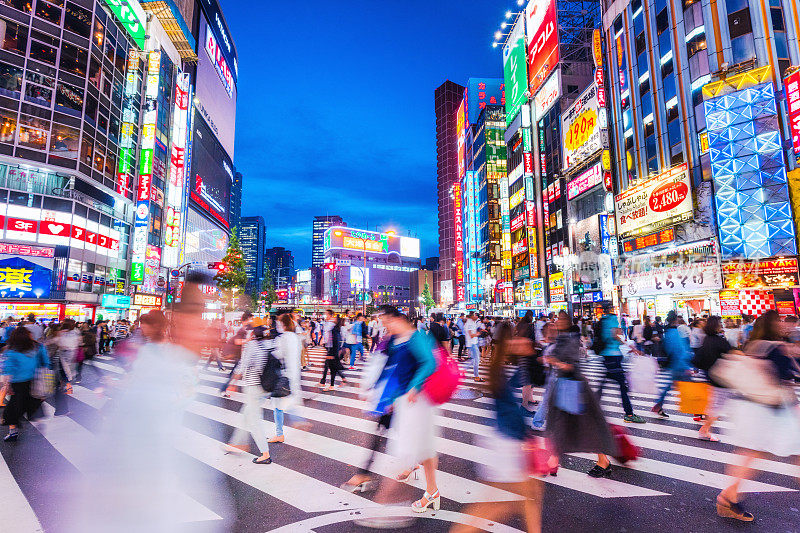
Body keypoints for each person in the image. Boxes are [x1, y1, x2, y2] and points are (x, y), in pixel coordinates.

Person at [452, 321, 543, 533]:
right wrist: (526, 438)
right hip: (506, 442)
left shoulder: (497, 366)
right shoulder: (499, 369)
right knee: (499, 505)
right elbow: (510, 410)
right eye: (514, 336)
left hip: (500, 439)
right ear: (508, 340)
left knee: (526, 497)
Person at [717, 310, 800, 522]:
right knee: (766, 453)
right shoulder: (777, 349)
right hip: (771, 410)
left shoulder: (751, 345)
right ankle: (728, 497)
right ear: (773, 325)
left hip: (749, 408)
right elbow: (786, 380)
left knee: (751, 453)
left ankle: (729, 497)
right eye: (779, 321)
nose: (783, 324)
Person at [378, 305, 439, 513]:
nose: (385, 327)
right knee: (420, 446)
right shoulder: (397, 340)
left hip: (418, 401)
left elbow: (430, 363)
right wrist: (393, 398)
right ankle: (429, 489)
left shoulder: (415, 337)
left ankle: (390, 499)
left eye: (387, 322)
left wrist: (416, 385)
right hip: (407, 400)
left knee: (420, 446)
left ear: (397, 319)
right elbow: (397, 372)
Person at [226, 323, 274, 464]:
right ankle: (238, 444)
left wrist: (232, 383)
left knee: (254, 421)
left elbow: (242, 365)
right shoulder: (269, 345)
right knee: (246, 415)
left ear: (253, 335)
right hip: (265, 388)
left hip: (253, 387)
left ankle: (265, 454)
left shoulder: (253, 346)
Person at [595, 305, 646, 424]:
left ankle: (591, 408)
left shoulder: (604, 319)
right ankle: (629, 414)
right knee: (623, 385)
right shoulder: (613, 319)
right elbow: (615, 335)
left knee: (606, 383)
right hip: (613, 356)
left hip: (608, 356)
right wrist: (630, 346)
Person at [1, 327, 49, 441]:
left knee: (14, 407)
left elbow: (8, 369)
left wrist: (6, 385)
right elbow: (46, 362)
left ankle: (13, 432)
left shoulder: (11, 350)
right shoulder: (38, 347)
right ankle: (39, 426)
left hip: (18, 383)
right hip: (35, 380)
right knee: (34, 404)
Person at [268, 314, 310, 444]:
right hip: (294, 373)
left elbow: (278, 355)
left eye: (279, 324)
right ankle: (298, 421)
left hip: (283, 375)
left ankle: (280, 433)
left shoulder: (282, 338)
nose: (277, 326)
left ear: (283, 325)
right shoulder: (295, 337)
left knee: (277, 405)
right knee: (288, 401)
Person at [692, 316, 734, 442]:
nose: (722, 325)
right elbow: (731, 354)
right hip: (721, 379)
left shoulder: (707, 340)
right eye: (720, 323)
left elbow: (698, 360)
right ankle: (704, 430)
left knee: (715, 405)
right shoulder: (719, 340)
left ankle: (704, 427)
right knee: (718, 407)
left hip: (711, 376)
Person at [651, 310, 694, 418]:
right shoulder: (674, 333)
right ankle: (700, 411)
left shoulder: (669, 332)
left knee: (670, 385)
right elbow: (678, 350)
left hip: (675, 365)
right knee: (693, 388)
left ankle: (658, 404)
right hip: (679, 365)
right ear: (675, 320)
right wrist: (686, 366)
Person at [319, 311, 346, 390]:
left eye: (334, 318)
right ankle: (331, 384)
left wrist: (334, 352)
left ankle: (331, 384)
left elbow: (335, 340)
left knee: (332, 367)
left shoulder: (334, 328)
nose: (332, 318)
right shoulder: (335, 328)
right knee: (332, 366)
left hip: (333, 349)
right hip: (332, 349)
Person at [464, 312, 484, 382]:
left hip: (473, 343)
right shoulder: (469, 323)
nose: (477, 316)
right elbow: (471, 335)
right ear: (472, 316)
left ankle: (462, 371)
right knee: (476, 360)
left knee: (473, 360)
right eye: (476, 315)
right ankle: (476, 376)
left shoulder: (472, 322)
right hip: (472, 344)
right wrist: (478, 334)